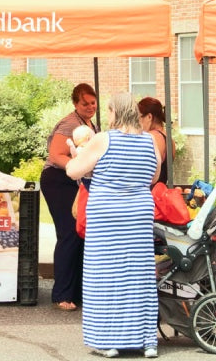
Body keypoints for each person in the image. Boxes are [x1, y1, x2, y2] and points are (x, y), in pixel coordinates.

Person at [67, 92, 161, 358]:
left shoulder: (103, 139)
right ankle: (146, 340)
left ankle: (109, 341)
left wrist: (76, 157)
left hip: (107, 217)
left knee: (105, 276)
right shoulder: (150, 142)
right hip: (138, 216)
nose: (106, 117)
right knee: (138, 276)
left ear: (116, 113)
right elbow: (152, 177)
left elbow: (74, 171)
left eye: (108, 112)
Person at [40, 83, 99, 312]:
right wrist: (77, 166)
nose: (90, 107)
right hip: (58, 180)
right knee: (69, 233)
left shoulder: (89, 124)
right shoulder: (69, 123)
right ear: (75, 103)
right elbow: (55, 155)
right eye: (85, 103)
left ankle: (76, 291)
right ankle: (62, 294)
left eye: (93, 103)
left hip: (75, 182)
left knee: (80, 233)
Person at [138, 97, 175, 184]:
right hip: (160, 191)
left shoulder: (152, 137)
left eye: (139, 118)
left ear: (149, 117)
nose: (138, 123)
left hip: (150, 193)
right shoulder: (169, 139)